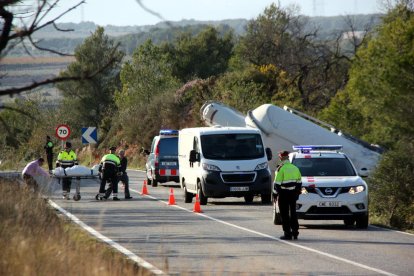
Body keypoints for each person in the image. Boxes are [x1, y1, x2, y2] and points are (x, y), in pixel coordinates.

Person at [273, 150, 302, 240]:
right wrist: (296, 193)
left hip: (283, 194)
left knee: (284, 214)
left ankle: (287, 233)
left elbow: (277, 184)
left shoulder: (281, 168)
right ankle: (295, 232)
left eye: (280, 157)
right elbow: (299, 183)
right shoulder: (295, 168)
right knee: (293, 213)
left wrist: (275, 195)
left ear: (281, 157)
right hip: (293, 193)